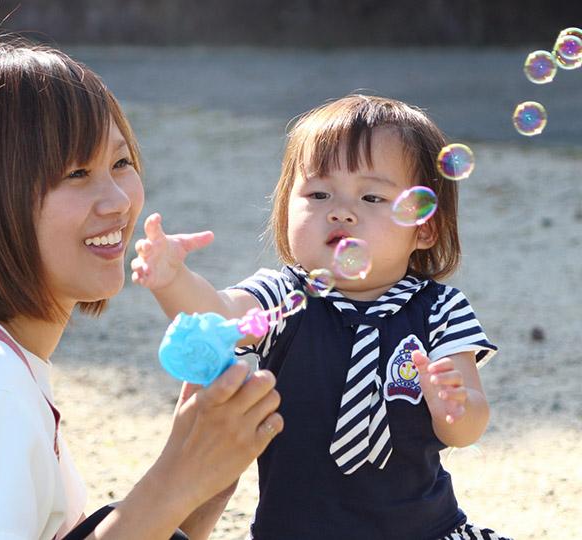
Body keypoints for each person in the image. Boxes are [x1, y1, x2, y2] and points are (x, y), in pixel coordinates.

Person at [0, 39, 284, 540]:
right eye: (77, 173)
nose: (117, 202)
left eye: (120, 164)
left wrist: (198, 487)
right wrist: (174, 480)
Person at [131, 94, 511, 539]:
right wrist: (171, 277)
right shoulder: (283, 297)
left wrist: (454, 407)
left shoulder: (440, 310)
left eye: (372, 196)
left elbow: (467, 427)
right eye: (318, 193)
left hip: (423, 530)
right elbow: (217, 315)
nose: (342, 210)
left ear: (423, 227)